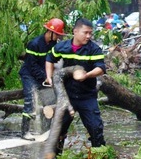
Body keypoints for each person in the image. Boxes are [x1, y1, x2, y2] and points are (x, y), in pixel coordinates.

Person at [45, 18, 107, 152]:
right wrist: (49, 77)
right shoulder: (62, 47)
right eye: (86, 33)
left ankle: (100, 158)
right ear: (75, 32)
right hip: (67, 96)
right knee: (58, 130)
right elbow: (50, 59)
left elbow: (101, 68)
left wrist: (87, 75)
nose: (89, 36)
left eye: (90, 33)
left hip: (87, 96)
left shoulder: (94, 49)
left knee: (96, 128)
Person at [19, 18, 65, 140]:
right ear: (51, 32)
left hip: (43, 76)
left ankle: (46, 130)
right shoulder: (34, 44)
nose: (59, 37)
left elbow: (53, 61)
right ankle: (25, 131)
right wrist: (45, 78)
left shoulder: (53, 45)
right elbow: (32, 66)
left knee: (50, 101)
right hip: (29, 75)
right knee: (31, 100)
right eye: (58, 35)